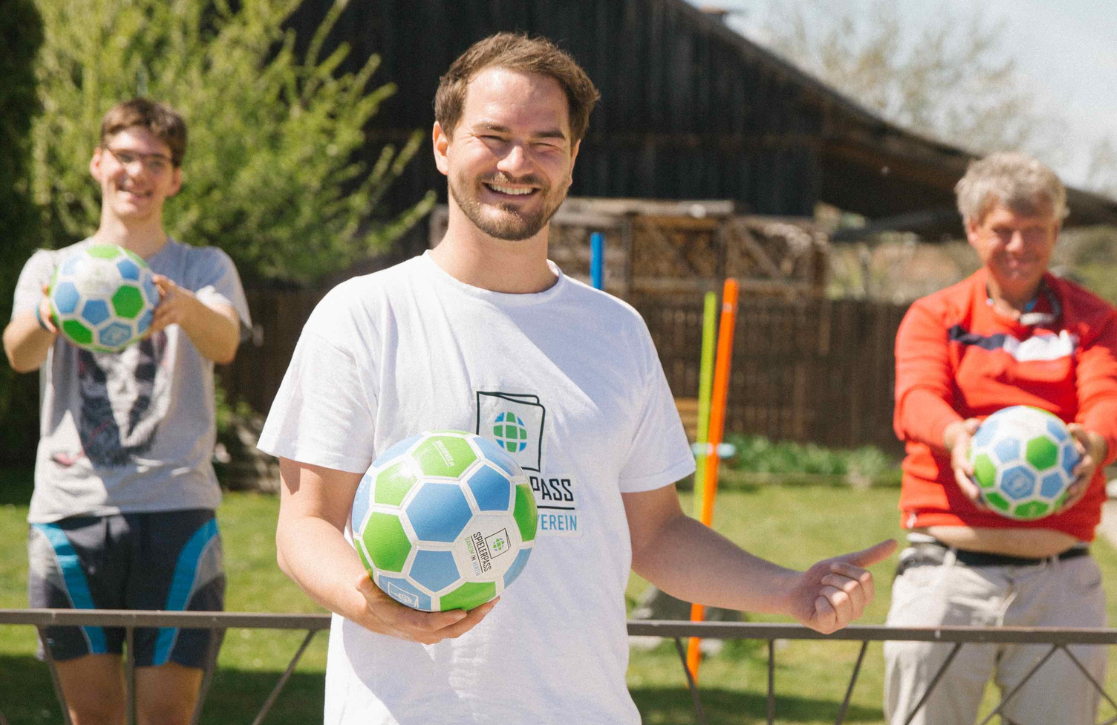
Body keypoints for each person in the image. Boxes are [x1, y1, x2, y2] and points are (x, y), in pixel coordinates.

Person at [255, 32, 893, 724]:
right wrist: (369, 601)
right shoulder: (364, 317)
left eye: (544, 141)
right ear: (442, 144)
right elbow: (304, 523)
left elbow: (656, 533)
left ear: (572, 160)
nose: (516, 162)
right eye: (492, 135)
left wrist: (790, 590)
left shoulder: (616, 333)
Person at [1, 98, 252, 725]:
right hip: (70, 511)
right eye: (125, 157)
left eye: (155, 162)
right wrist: (51, 314)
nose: (137, 173)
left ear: (175, 178)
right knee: (93, 718)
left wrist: (184, 306)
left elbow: (224, 343)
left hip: (176, 511)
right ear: (97, 162)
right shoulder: (51, 267)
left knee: (169, 716)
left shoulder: (203, 267)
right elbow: (18, 354)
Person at [883, 152, 1117, 724]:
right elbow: (916, 398)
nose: (1020, 247)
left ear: (1057, 230)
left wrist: (1092, 446)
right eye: (1003, 231)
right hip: (945, 576)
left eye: (1036, 231)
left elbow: (1109, 401)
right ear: (973, 231)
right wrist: (956, 437)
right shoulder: (934, 315)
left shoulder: (1094, 320)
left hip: (1060, 581)